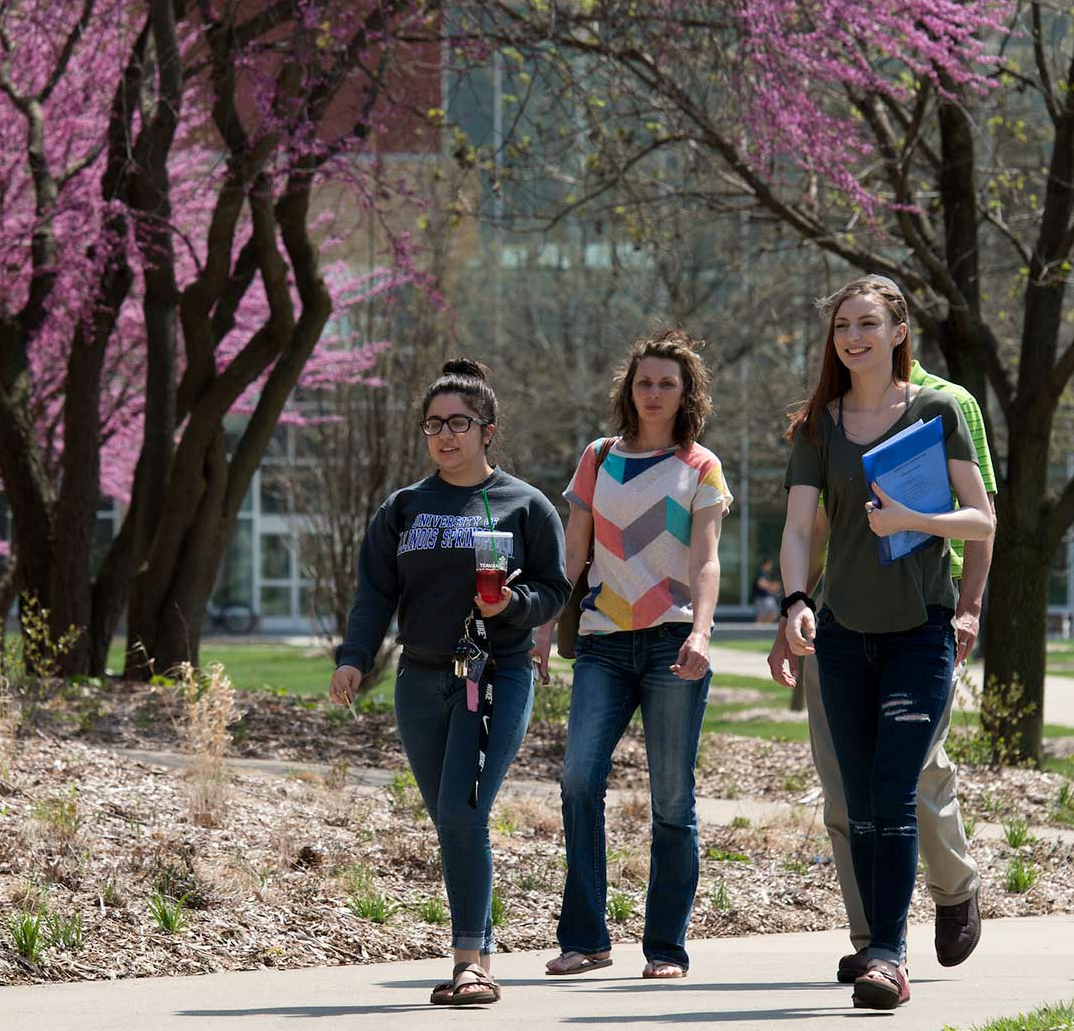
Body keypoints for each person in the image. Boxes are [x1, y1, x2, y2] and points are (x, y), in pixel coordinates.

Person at [772, 276, 994, 1010]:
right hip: (840, 636)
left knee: (898, 791)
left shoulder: (936, 412)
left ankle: (888, 958)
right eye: (842, 326)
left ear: (899, 333)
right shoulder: (818, 425)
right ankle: (874, 940)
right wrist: (796, 602)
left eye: (868, 324)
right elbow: (801, 528)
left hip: (919, 634)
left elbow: (981, 521)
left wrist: (916, 528)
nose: (854, 337)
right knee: (859, 799)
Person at [329, 359, 567, 1007]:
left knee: (463, 813)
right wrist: (354, 658)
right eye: (433, 424)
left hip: (497, 674)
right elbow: (374, 594)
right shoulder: (403, 508)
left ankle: (470, 963)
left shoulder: (526, 506)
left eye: (458, 422)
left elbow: (555, 590)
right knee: (453, 822)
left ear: (487, 429)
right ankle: (480, 952)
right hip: (420, 678)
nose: (445, 435)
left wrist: (511, 608)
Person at [535, 329, 732, 981]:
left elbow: (706, 561)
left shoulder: (701, 467)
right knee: (578, 782)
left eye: (666, 384)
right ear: (630, 389)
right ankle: (587, 938)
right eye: (644, 382)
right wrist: (541, 627)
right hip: (601, 643)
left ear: (685, 394)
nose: (653, 393)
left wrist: (701, 633)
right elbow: (572, 555)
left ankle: (665, 948)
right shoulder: (597, 459)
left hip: (673, 643)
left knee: (672, 799)